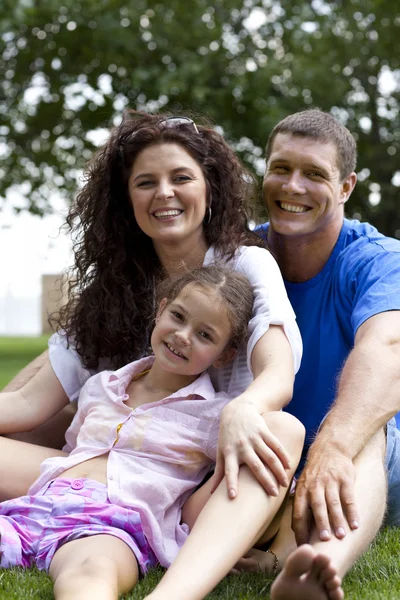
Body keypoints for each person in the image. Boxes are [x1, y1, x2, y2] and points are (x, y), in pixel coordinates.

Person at [0, 111, 302, 516]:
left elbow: (277, 375)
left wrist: (243, 408)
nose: (164, 193)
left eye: (181, 178)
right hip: (109, 466)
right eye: (146, 183)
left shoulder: (247, 265)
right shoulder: (113, 289)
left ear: (209, 189)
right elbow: (26, 402)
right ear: (128, 201)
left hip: (204, 479)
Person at [0, 266, 304, 600]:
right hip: (38, 504)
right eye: (178, 316)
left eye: (205, 335)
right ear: (160, 311)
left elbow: (260, 481)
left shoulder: (211, 415)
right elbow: (76, 450)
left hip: (113, 524)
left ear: (224, 356)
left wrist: (277, 546)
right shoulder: (101, 386)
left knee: (90, 572)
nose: (183, 336)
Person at [250, 108, 400, 600]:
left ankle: (315, 568)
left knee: (366, 429)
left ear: (346, 188)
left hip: (359, 465)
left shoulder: (375, 259)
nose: (293, 186)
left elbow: (389, 345)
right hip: (271, 451)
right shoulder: (240, 257)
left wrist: (332, 447)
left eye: (315, 174)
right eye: (281, 168)